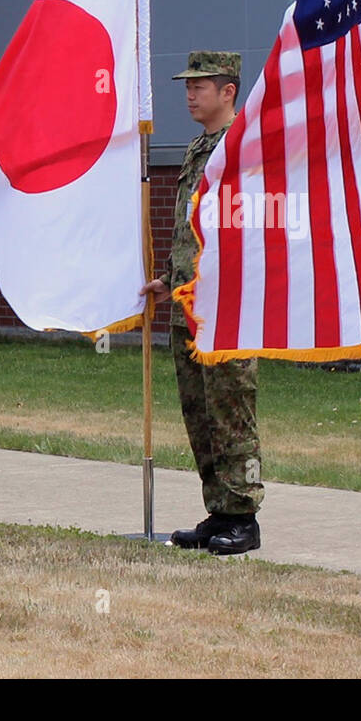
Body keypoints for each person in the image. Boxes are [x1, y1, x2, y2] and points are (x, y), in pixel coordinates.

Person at [143, 51, 262, 555]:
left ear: (228, 90)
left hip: (228, 304)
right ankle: (219, 509)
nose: (190, 94)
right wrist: (168, 281)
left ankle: (245, 516)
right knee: (200, 410)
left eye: (201, 86)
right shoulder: (199, 149)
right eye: (188, 86)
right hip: (188, 303)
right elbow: (193, 232)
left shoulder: (245, 147)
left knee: (231, 407)